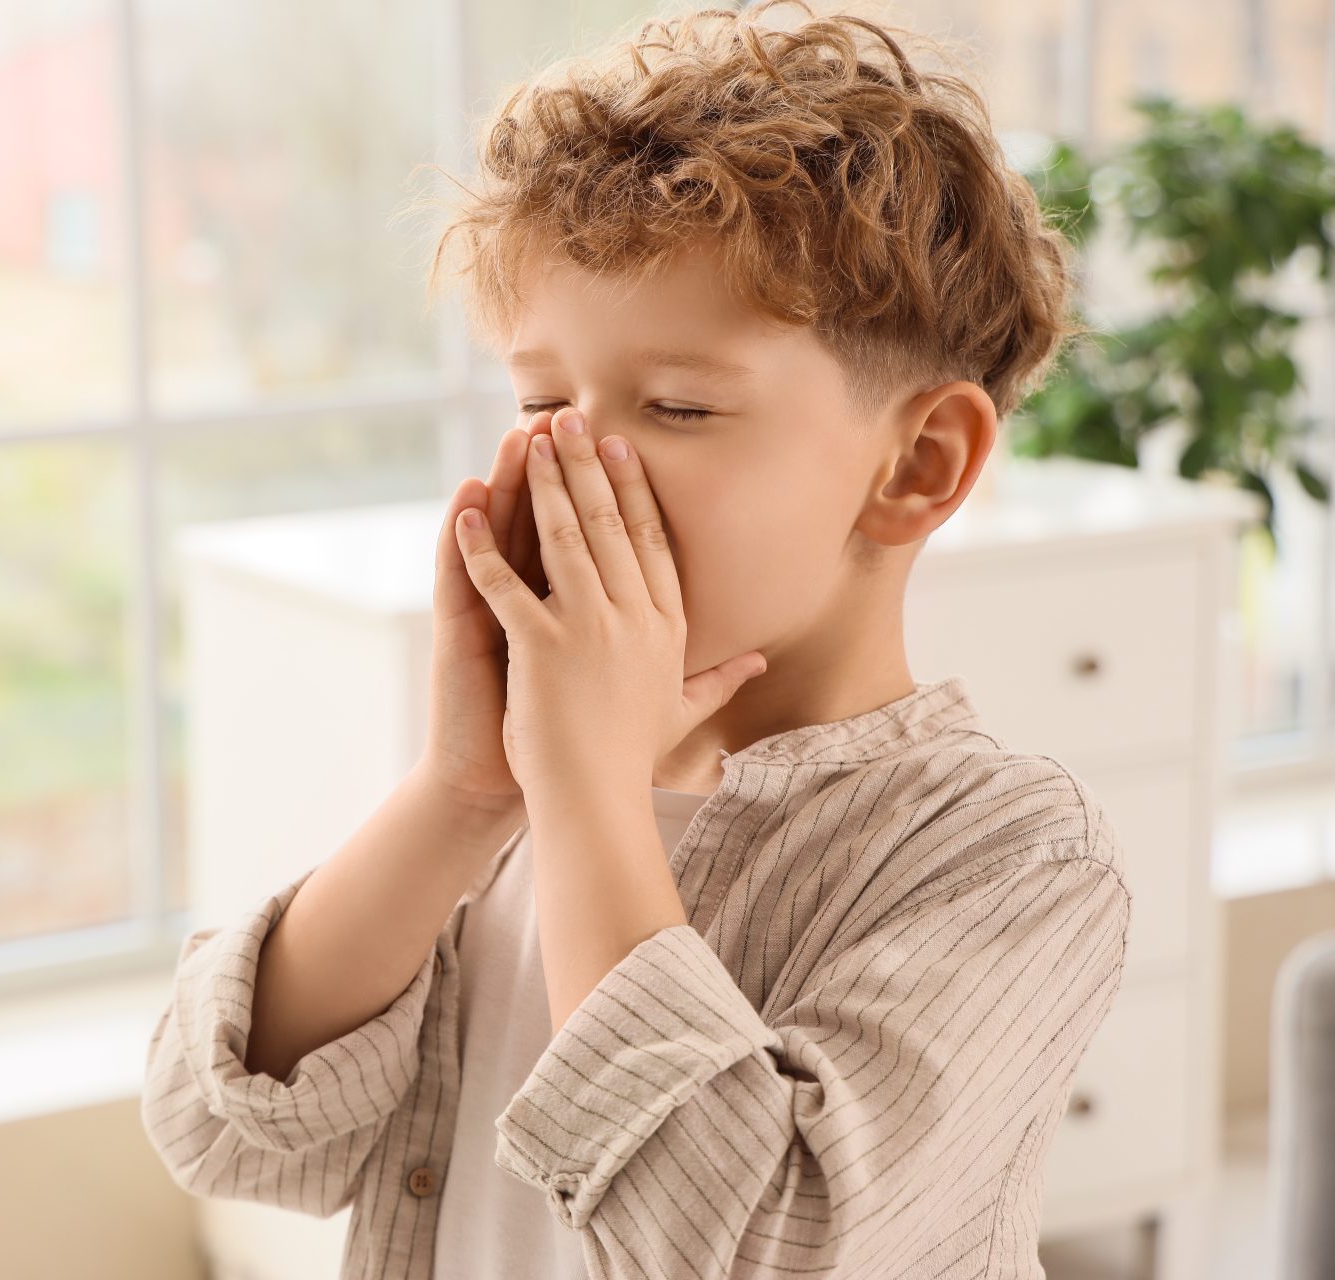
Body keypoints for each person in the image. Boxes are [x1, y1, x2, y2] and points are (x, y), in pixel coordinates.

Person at [140, 3, 1131, 1276]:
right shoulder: (521, 795)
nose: (575, 454)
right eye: (543, 396)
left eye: (678, 404)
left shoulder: (1009, 856)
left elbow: (766, 1247)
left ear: (919, 463)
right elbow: (234, 1136)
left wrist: (590, 792)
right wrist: (466, 789)